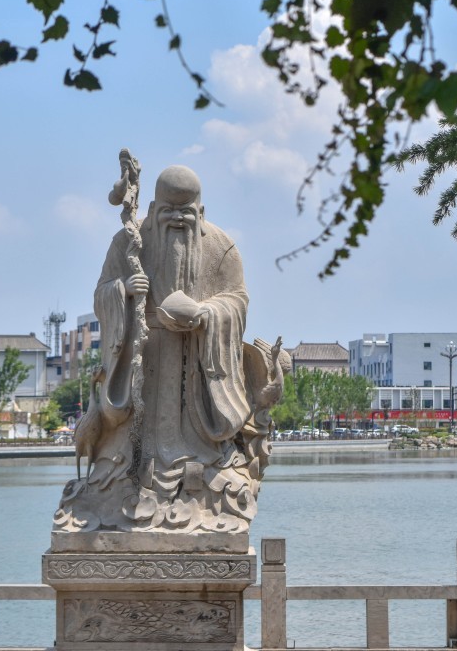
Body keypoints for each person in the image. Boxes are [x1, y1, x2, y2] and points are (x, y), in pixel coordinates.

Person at [53, 164, 285, 534]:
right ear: (152, 207)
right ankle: (127, 482)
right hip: (144, 356)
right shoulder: (128, 242)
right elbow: (102, 294)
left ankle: (199, 481)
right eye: (168, 210)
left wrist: (207, 313)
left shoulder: (221, 247)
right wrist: (124, 291)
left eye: (186, 211)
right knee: (127, 450)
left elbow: (237, 300)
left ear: (201, 212)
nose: (177, 218)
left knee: (204, 456)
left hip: (196, 359)